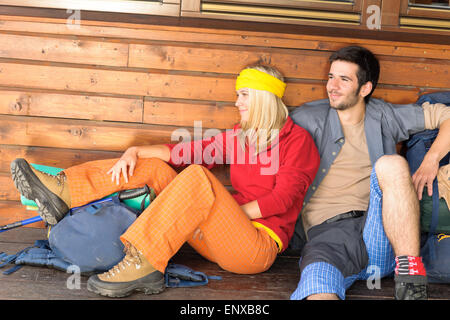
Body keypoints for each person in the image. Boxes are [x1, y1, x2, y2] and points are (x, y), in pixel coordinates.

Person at [10, 65, 320, 298]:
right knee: (157, 168)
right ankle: (64, 189)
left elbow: (284, 200)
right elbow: (188, 151)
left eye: (244, 95)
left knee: (199, 178)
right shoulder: (240, 136)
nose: (236, 101)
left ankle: (143, 263)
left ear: (265, 98)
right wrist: (135, 150)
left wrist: (227, 212)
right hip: (218, 237)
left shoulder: (297, 142)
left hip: (254, 247)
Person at [288, 45, 450, 300]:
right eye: (331, 77)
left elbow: (447, 116)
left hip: (382, 231)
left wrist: (431, 159)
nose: (332, 86)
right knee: (318, 293)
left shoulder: (383, 115)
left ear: (365, 88)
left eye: (344, 79)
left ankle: (411, 282)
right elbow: (261, 131)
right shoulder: (307, 118)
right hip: (329, 239)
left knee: (392, 164)